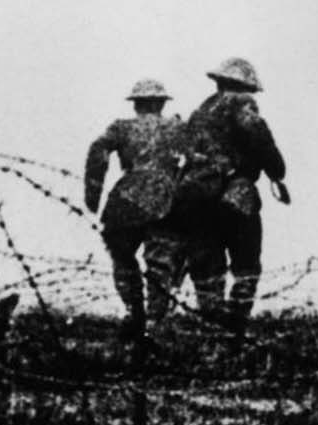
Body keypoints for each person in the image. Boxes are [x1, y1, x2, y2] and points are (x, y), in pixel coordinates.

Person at [171, 58, 289, 345]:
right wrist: (276, 170)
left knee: (207, 269)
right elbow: (257, 132)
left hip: (196, 199)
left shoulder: (200, 111)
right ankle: (235, 329)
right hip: (235, 196)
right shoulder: (241, 102)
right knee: (246, 265)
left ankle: (214, 330)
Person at [83, 78, 187, 342]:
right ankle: (154, 320)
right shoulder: (178, 128)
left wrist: (92, 195)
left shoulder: (121, 128)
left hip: (126, 199)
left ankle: (134, 311)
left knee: (123, 258)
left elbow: (98, 151)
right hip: (167, 200)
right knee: (160, 262)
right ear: (161, 103)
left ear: (136, 104)